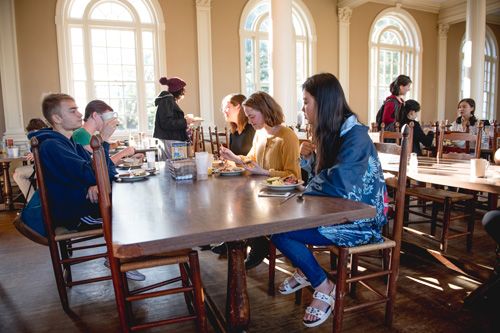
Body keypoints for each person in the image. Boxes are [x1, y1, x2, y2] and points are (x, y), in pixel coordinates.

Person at [271, 73, 388, 328]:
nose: (303, 108)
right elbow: (323, 175)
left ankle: (323, 285)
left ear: (323, 103)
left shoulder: (355, 135)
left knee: (280, 232)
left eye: (306, 102)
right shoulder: (331, 132)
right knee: (277, 226)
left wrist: (307, 186)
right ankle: (307, 271)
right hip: (336, 212)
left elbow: (340, 181)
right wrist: (308, 159)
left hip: (361, 220)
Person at [29, 93, 145, 281]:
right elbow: (96, 173)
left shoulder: (69, 143)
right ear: (57, 118)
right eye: (72, 110)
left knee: (132, 199)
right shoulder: (52, 146)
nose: (79, 114)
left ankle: (124, 254)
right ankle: (122, 258)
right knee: (130, 211)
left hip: (82, 203)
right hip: (74, 213)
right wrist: (104, 140)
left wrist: (94, 181)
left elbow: (104, 172)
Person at [220, 91, 301, 269]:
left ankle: (257, 244)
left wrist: (264, 172)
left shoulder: (287, 137)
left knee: (245, 205)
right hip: (267, 193)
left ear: (265, 111)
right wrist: (234, 158)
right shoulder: (260, 134)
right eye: (248, 117)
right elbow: (252, 160)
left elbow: (293, 175)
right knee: (236, 202)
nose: (249, 121)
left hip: (284, 198)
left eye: (252, 116)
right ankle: (239, 242)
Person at [211, 93, 256, 256]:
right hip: (240, 177)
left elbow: (252, 159)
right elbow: (236, 158)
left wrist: (235, 161)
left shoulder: (252, 129)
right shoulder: (235, 131)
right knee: (221, 196)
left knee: (234, 199)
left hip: (252, 177)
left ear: (239, 107)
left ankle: (250, 242)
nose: (224, 111)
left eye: (227, 107)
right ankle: (230, 239)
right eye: (223, 108)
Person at [72, 100, 143, 164]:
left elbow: (106, 163)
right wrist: (123, 153)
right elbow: (101, 164)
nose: (108, 122)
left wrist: (130, 159)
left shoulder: (88, 135)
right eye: (107, 117)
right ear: (95, 115)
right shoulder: (81, 134)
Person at [153, 76, 194, 159]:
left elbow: (168, 120)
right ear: (178, 90)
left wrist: (184, 120)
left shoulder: (166, 100)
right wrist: (185, 121)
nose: (183, 92)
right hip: (171, 140)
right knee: (177, 167)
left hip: (169, 139)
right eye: (182, 89)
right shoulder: (167, 101)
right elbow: (167, 123)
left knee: (169, 167)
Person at [13, 118, 48, 202]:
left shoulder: (43, 137)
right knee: (18, 173)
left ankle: (33, 203)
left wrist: (37, 154)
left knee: (17, 174)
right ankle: (34, 203)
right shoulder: (47, 135)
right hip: (43, 166)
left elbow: (49, 151)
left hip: (46, 168)